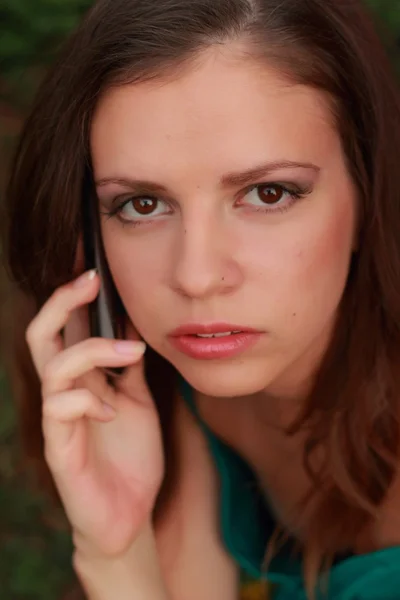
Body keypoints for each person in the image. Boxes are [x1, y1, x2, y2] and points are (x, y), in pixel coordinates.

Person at [3, 0, 400, 598]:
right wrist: (116, 551)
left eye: (268, 193)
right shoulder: (174, 391)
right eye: (141, 204)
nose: (195, 276)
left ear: (369, 193)